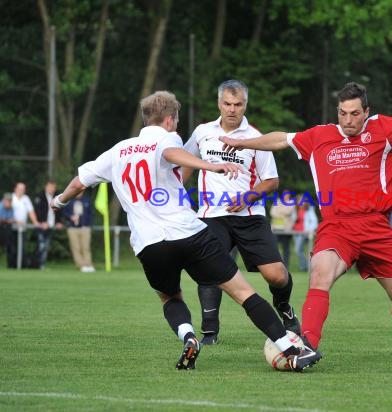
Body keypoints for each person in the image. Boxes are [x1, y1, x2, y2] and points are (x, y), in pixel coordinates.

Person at [219, 80, 392, 366]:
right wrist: (242, 142)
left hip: (376, 228)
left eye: (355, 114)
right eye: (342, 113)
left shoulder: (384, 129)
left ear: (367, 111)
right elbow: (280, 139)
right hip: (337, 226)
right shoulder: (320, 136)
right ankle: (306, 345)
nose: (348, 120)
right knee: (320, 274)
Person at [49, 90, 320, 372]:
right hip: (189, 233)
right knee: (242, 292)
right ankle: (290, 349)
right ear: (169, 119)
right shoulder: (168, 138)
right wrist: (211, 165)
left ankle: (189, 336)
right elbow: (170, 153)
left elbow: (79, 183)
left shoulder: (116, 151)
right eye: (176, 121)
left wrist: (58, 201)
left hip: (149, 244)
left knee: (170, 297)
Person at [183, 80, 300, 345]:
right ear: (219, 103)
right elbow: (186, 161)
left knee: (277, 275)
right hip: (212, 214)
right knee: (210, 268)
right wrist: (178, 193)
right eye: (227, 103)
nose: (232, 109)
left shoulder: (256, 138)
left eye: (238, 104)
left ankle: (284, 307)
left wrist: (247, 196)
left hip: (249, 216)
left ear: (245, 105)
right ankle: (209, 331)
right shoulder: (203, 132)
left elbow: (271, 181)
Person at [33, 180, 64, 269]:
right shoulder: (40, 196)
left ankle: (41, 265)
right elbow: (37, 210)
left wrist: (59, 222)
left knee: (45, 246)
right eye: (50, 187)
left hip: (50, 227)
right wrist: (42, 222)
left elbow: (60, 211)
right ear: (46, 187)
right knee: (41, 246)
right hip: (41, 226)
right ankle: (37, 265)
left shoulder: (57, 197)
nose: (52, 189)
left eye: (53, 187)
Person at [62, 190, 95, 272]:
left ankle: (88, 264)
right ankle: (81, 265)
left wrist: (89, 224)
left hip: (85, 228)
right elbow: (64, 213)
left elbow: (91, 214)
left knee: (86, 247)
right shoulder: (69, 201)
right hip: (73, 228)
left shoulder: (87, 200)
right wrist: (70, 217)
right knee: (76, 248)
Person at [11, 182, 39, 268]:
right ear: (15, 189)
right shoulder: (11, 198)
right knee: (12, 248)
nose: (21, 191)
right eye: (20, 189)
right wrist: (15, 221)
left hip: (23, 228)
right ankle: (12, 266)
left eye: (23, 189)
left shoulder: (26, 199)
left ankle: (21, 265)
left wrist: (35, 222)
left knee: (22, 248)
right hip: (11, 228)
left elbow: (30, 211)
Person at [270, 190, 296, 268]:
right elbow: (272, 212)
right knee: (274, 247)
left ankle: (286, 265)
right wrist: (282, 213)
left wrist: (279, 211)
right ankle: (275, 264)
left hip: (286, 229)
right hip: (276, 228)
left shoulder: (292, 202)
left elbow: (288, 211)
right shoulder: (277, 201)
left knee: (286, 247)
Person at [292, 194, 319, 271]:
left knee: (299, 250)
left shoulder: (309, 210)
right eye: (299, 201)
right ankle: (305, 266)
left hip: (305, 233)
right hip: (296, 232)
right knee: (298, 251)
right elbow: (292, 220)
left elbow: (314, 222)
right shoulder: (295, 210)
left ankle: (305, 266)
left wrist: (309, 230)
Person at [0, 193, 16, 268]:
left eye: (10, 201)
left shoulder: (11, 208)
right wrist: (7, 220)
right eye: (8, 201)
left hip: (6, 231)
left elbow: (12, 220)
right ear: (4, 200)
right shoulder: (0, 206)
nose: (9, 203)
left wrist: (5, 220)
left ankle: (11, 266)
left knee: (11, 248)